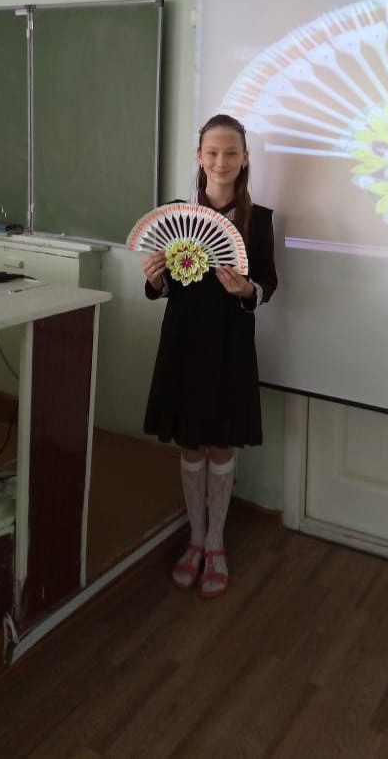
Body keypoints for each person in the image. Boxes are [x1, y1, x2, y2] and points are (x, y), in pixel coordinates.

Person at [141, 114, 278, 598]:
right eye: (213, 152)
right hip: (182, 341)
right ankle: (194, 539)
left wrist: (248, 290)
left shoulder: (259, 221)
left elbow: (268, 283)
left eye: (231, 152)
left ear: (244, 159)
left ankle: (216, 541)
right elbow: (162, 287)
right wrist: (155, 278)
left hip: (230, 345)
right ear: (199, 157)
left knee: (221, 445)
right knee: (190, 445)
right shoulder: (175, 214)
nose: (221, 161)